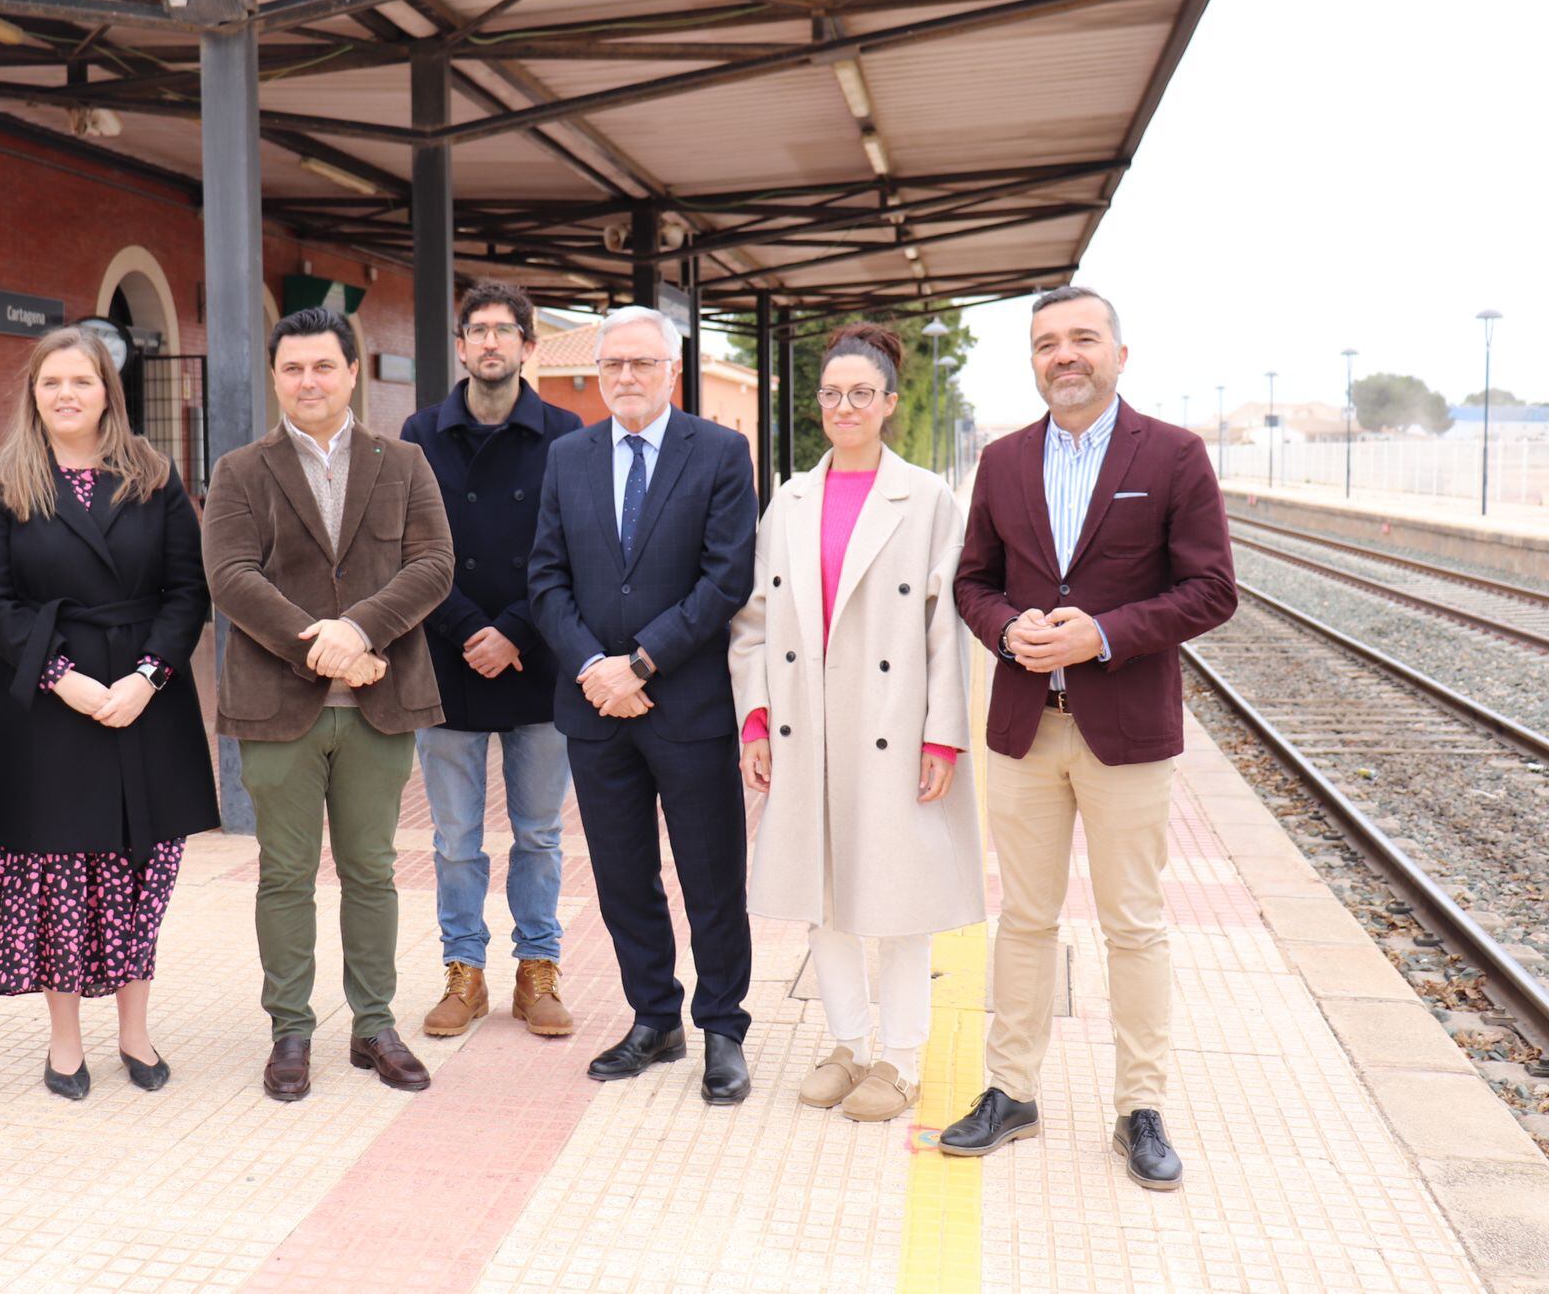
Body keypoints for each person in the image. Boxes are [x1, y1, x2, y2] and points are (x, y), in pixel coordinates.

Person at [942, 285, 1236, 1190]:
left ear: (1118, 352)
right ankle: (1011, 1091)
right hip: (1027, 732)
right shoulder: (1002, 461)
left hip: (1126, 732)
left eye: (1081, 339)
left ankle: (1138, 1108)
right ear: (1032, 361)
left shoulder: (1176, 456)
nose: (1063, 356)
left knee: (1135, 927)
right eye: (1045, 345)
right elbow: (972, 582)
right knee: (1024, 920)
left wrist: (1101, 634)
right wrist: (1006, 629)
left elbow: (1212, 589)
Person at [728, 323, 983, 1123]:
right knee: (822, 892)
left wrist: (942, 734)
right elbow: (754, 622)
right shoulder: (792, 498)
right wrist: (756, 720)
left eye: (861, 394)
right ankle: (847, 1045)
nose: (846, 405)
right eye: (833, 394)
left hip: (894, 726)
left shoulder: (928, 499)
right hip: (806, 727)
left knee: (901, 895)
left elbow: (949, 627)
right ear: (819, 405)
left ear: (889, 404)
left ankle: (901, 1061)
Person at [203, 306, 454, 1102]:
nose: (308, 381)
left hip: (380, 704)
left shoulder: (404, 461)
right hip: (279, 705)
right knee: (284, 874)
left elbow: (434, 565)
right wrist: (322, 645)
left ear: (351, 372)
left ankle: (373, 1024)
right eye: (292, 369)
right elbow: (232, 575)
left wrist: (360, 630)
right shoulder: (241, 470)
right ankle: (290, 1030)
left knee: (372, 870)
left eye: (323, 367)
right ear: (277, 378)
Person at [0, 325, 219, 1102]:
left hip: (145, 697)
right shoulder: (3, 481)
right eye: (51, 383)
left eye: (81, 381)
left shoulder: (154, 473)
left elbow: (188, 592)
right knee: (59, 879)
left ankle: (135, 1034)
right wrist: (61, 677)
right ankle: (65, 1043)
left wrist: (149, 675)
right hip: (46, 706)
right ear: (33, 396)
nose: (66, 395)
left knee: (141, 869)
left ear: (108, 389)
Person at [527, 304, 758, 1104]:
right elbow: (545, 577)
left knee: (711, 874)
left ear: (672, 372)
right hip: (594, 708)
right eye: (613, 364)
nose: (626, 377)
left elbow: (727, 579)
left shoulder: (722, 453)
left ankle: (722, 1027)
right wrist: (595, 665)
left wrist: (644, 662)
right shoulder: (570, 457)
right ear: (599, 374)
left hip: (686, 705)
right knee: (623, 875)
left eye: (641, 364)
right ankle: (653, 1018)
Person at [400, 281, 585, 1039]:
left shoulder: (568, 435)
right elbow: (408, 550)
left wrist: (513, 630)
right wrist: (469, 627)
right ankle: (464, 972)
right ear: (462, 345)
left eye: (504, 331)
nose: (489, 343)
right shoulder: (419, 433)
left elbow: (574, 551)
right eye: (475, 330)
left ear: (528, 346)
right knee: (453, 840)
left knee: (540, 834)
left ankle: (537, 971)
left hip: (538, 663)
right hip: (448, 664)